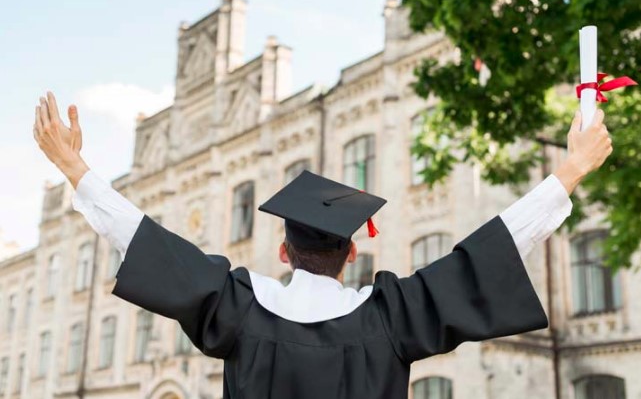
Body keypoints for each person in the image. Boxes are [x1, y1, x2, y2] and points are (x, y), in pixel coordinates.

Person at [32, 91, 612, 399]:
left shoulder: (238, 309)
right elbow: (490, 250)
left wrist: (75, 167)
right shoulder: (393, 318)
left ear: (284, 252)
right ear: (352, 253)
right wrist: (572, 169)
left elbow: (144, 240)